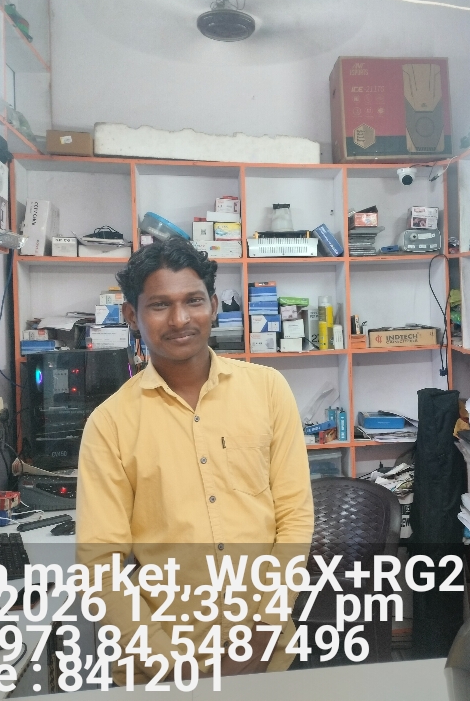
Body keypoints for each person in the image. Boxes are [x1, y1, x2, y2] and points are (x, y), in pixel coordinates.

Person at [75, 237, 314, 680]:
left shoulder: (268, 390)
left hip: (266, 653)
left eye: (193, 301)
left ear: (214, 306)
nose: (180, 319)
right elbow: (99, 568)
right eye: (160, 305)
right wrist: (177, 669)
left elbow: (294, 520)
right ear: (132, 316)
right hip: (159, 667)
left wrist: (261, 636)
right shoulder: (109, 425)